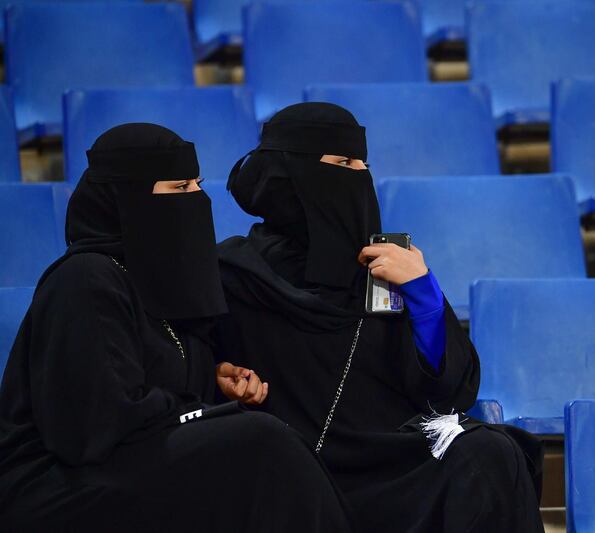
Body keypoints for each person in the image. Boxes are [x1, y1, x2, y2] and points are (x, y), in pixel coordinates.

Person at [0, 123, 352, 532]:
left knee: (265, 443)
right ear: (127, 198)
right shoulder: (85, 279)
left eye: (196, 185)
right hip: (56, 483)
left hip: (125, 464)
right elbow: (96, 422)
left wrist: (210, 382)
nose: (197, 200)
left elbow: (150, 385)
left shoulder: (157, 281)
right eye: (178, 188)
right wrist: (204, 413)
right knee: (260, 444)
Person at [215, 104, 545, 532]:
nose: (358, 176)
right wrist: (221, 381)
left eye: (362, 164)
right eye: (342, 163)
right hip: (289, 472)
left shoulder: (386, 269)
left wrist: (424, 296)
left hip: (390, 466)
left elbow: (448, 393)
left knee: (490, 454)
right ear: (289, 174)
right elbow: (192, 385)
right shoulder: (233, 275)